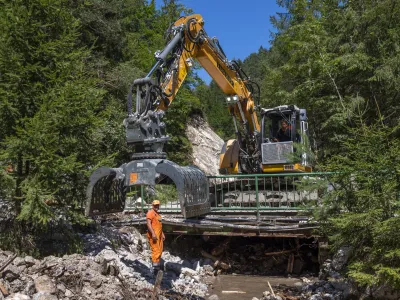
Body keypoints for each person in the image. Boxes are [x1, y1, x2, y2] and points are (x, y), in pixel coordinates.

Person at [146, 200, 165, 275]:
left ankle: (157, 267)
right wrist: (153, 234)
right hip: (154, 236)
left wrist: (162, 234)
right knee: (155, 251)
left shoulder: (157, 214)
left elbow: (159, 225)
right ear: (152, 205)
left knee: (160, 250)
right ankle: (154, 269)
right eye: (155, 205)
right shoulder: (150, 213)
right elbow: (148, 224)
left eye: (158, 205)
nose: (156, 206)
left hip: (159, 235)